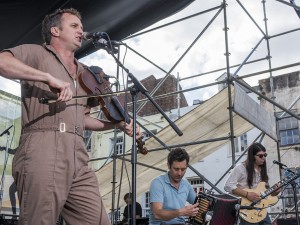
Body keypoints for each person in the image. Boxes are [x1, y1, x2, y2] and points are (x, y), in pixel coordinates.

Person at [0, 8, 141, 225]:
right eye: (74, 26)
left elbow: (82, 120)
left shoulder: (84, 73)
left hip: (77, 152)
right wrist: (46, 77)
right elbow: (2, 61)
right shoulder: (37, 53)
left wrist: (116, 125)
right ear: (55, 30)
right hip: (43, 146)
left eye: (82, 27)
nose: (81, 31)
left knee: (98, 221)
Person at [224, 142, 281, 225]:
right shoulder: (240, 168)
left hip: (262, 209)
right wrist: (247, 194)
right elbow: (228, 186)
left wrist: (275, 192)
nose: (264, 158)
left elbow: (264, 192)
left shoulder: (262, 170)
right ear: (252, 156)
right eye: (260, 156)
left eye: (265, 155)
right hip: (247, 209)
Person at [149, 148, 199, 225]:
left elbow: (198, 205)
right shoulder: (158, 183)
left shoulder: (186, 185)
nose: (179, 173)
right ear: (168, 166)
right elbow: (157, 214)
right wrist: (181, 212)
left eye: (183, 169)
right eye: (176, 169)